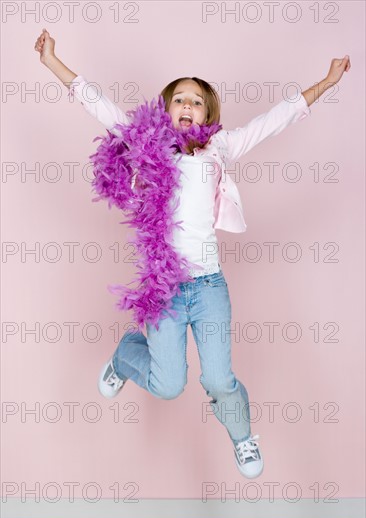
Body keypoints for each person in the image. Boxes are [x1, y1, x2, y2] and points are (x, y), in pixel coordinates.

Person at [34, 28, 351, 479]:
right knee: (168, 386)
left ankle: (242, 437)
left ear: (209, 114)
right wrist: (51, 60)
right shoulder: (146, 147)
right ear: (165, 110)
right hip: (164, 291)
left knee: (220, 380)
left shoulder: (220, 149)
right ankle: (126, 355)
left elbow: (273, 120)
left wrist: (327, 82)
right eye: (179, 98)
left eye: (197, 100)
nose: (187, 105)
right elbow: (97, 103)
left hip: (208, 287)